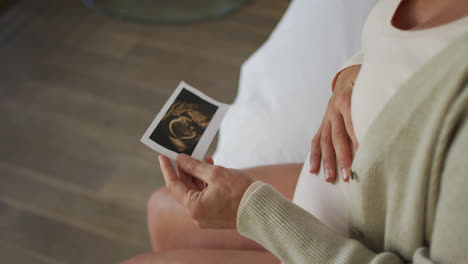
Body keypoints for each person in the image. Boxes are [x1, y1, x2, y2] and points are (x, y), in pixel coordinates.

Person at [123, 0, 468, 263]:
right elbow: (398, 51)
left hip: (352, 246)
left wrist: (250, 209)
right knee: (163, 207)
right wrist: (351, 74)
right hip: (331, 198)